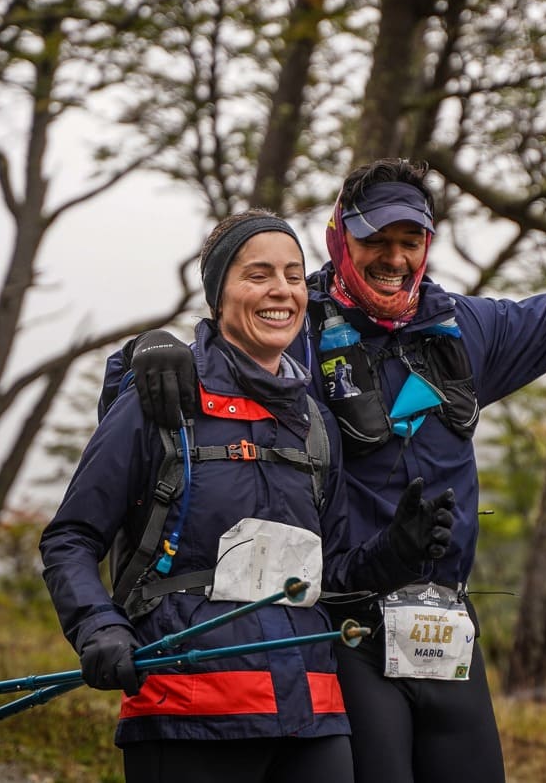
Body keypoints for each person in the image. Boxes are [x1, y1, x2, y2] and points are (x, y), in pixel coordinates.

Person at [132, 136, 546, 783]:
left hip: (448, 627)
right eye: (378, 238)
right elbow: (219, 348)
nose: (395, 256)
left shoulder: (464, 331)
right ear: (339, 239)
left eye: (412, 239)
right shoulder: (302, 326)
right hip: (345, 624)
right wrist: (151, 348)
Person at [40, 209, 457, 783]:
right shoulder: (161, 401)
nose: (281, 291)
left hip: (312, 715)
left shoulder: (315, 423)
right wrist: (98, 626)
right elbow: (71, 537)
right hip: (187, 707)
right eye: (257, 274)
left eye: (292, 274)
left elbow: (327, 574)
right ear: (218, 293)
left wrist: (397, 551)